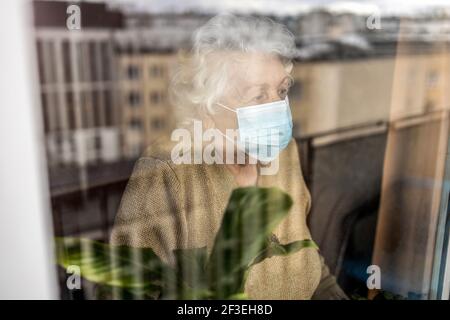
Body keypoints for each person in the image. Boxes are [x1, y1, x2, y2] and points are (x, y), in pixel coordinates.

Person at [110, 14, 348, 300]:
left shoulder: (284, 154)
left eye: (281, 90)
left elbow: (309, 265)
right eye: (258, 96)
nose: (277, 107)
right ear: (207, 109)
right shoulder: (167, 172)